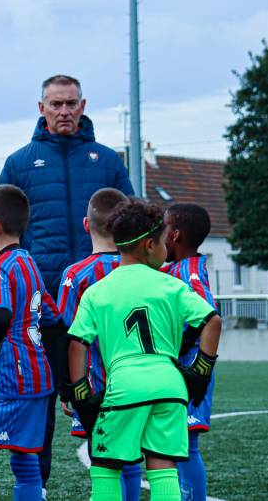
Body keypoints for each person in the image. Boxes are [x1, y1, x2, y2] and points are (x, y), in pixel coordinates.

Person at [0, 75, 134, 488]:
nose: (63, 111)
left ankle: (111, 482)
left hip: (104, 304)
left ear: (83, 105)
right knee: (41, 399)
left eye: (71, 104)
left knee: (106, 394)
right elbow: (3, 227)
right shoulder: (20, 162)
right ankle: (35, 487)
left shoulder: (107, 160)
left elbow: (130, 222)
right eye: (55, 104)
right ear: (41, 108)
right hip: (42, 307)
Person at [64, 199, 222, 501]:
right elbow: (212, 321)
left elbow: (76, 344)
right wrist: (200, 372)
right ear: (150, 245)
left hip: (125, 386)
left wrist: (81, 394)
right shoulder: (171, 285)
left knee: (106, 466)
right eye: (164, 241)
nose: (166, 249)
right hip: (170, 385)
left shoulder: (98, 291)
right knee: (163, 467)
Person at [56, 188, 142, 500]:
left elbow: (67, 334)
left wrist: (68, 389)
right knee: (131, 458)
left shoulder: (76, 275)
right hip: (136, 383)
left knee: (104, 460)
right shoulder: (141, 271)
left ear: (85, 224)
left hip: (94, 388)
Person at [0, 185, 52, 501]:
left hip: (13, 378)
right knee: (24, 456)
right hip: (38, 375)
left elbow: (0, 314)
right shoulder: (28, 262)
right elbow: (51, 312)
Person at [163, 203, 218, 501]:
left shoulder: (191, 270)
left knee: (186, 443)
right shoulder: (171, 267)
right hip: (175, 366)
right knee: (173, 442)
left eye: (163, 228)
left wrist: (187, 350)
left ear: (175, 235)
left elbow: (207, 314)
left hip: (191, 366)